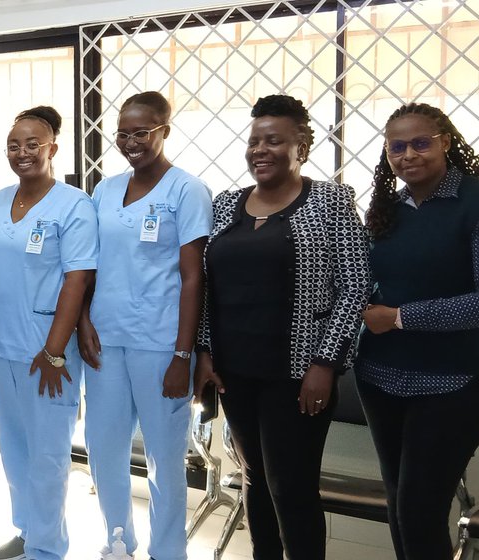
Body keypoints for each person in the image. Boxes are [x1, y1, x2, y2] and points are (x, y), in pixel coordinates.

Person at [193, 94, 371, 560]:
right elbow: (208, 287)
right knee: (254, 477)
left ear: (302, 146)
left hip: (298, 374)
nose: (261, 150)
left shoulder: (331, 201)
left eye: (274, 140)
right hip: (235, 371)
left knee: (291, 485)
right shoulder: (227, 203)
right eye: (254, 141)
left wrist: (325, 364)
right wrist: (206, 353)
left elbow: (354, 288)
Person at [358, 102, 479, 560]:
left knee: (419, 510)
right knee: (400, 506)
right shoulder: (387, 207)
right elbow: (373, 280)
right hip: (381, 377)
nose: (409, 154)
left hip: (456, 381)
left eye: (421, 143)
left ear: (445, 141)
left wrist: (401, 317)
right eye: (397, 146)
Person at [78, 91, 212, 560]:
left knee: (164, 457)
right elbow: (87, 264)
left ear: (164, 131)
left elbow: (194, 276)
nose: (131, 141)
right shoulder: (105, 189)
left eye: (142, 132)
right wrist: (81, 319)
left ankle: (168, 550)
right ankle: (118, 540)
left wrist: (183, 354)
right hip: (104, 338)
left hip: (160, 343)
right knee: (103, 448)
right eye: (123, 133)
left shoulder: (187, 190)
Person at [0, 106, 99, 560]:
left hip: (47, 349)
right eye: (13, 145)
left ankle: (47, 549)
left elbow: (77, 279)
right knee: (14, 448)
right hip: (1, 343)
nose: (22, 152)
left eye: (32, 144)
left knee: (48, 454)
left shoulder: (73, 204)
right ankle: (27, 532)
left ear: (52, 149)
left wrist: (54, 351)